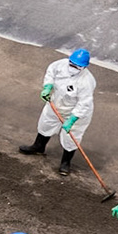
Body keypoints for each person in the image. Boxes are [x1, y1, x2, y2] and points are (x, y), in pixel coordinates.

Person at [19, 47, 95, 175]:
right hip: (56, 103)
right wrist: (47, 87)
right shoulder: (60, 65)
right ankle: (38, 147)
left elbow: (84, 103)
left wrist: (72, 119)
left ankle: (66, 163)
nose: (73, 67)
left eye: (77, 66)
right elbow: (50, 73)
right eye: (72, 64)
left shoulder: (87, 81)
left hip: (75, 111)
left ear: (84, 67)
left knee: (71, 137)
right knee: (46, 124)